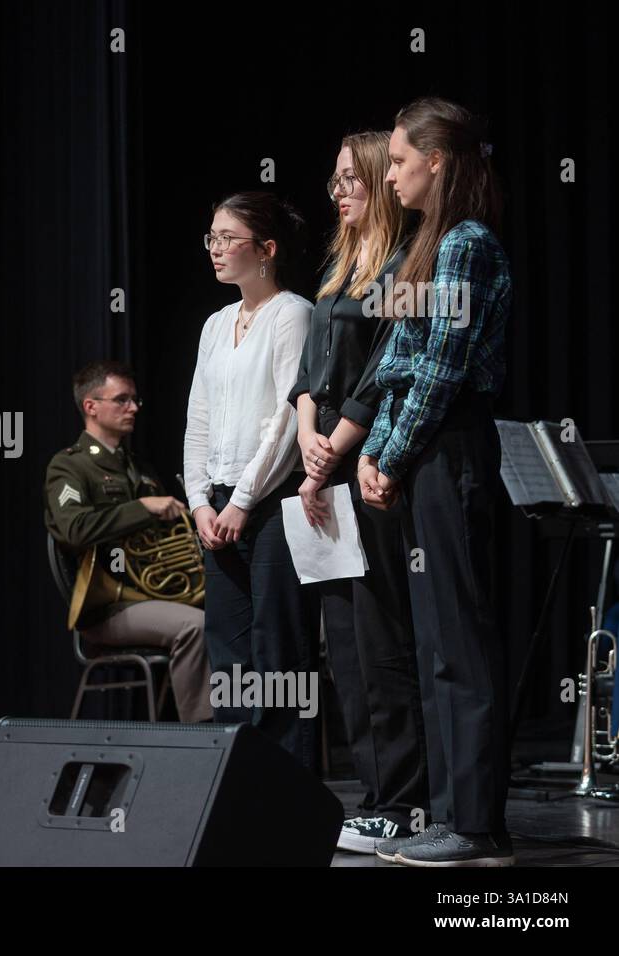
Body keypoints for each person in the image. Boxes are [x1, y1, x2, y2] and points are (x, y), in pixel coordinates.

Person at [358, 98, 513, 866]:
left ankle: (477, 826)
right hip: (422, 448)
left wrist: (388, 455)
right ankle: (451, 815)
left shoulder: (467, 244)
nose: (390, 175)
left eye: (398, 160)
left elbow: (443, 369)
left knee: (458, 640)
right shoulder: (430, 244)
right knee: (433, 641)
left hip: (449, 447)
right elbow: (393, 361)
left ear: (438, 161)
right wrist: (375, 451)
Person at [288, 132, 429, 853]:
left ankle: (402, 801)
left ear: (380, 182)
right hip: (322, 468)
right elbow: (310, 375)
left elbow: (381, 378)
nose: (339, 192)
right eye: (335, 180)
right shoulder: (340, 268)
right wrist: (307, 432)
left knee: (379, 640)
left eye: (352, 180)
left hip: (364, 468)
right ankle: (373, 792)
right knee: (342, 643)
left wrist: (329, 453)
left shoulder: (403, 267)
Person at [183, 191, 318, 769]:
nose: (214, 249)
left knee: (279, 648)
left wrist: (241, 500)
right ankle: (235, 773)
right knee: (228, 648)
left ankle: (287, 783)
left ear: (265, 250)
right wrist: (198, 501)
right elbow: (199, 417)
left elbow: (288, 417)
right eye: (210, 237)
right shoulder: (216, 324)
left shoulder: (293, 313)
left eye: (226, 238)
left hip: (272, 502)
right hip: (218, 502)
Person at [45, 360, 211, 723]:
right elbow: (74, 530)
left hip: (156, 596)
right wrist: (142, 508)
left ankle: (247, 727)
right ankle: (204, 738)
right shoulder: (69, 467)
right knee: (195, 627)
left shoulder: (140, 467)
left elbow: (174, 537)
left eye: (135, 400)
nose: (133, 407)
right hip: (108, 607)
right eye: (122, 400)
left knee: (234, 612)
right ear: (91, 406)